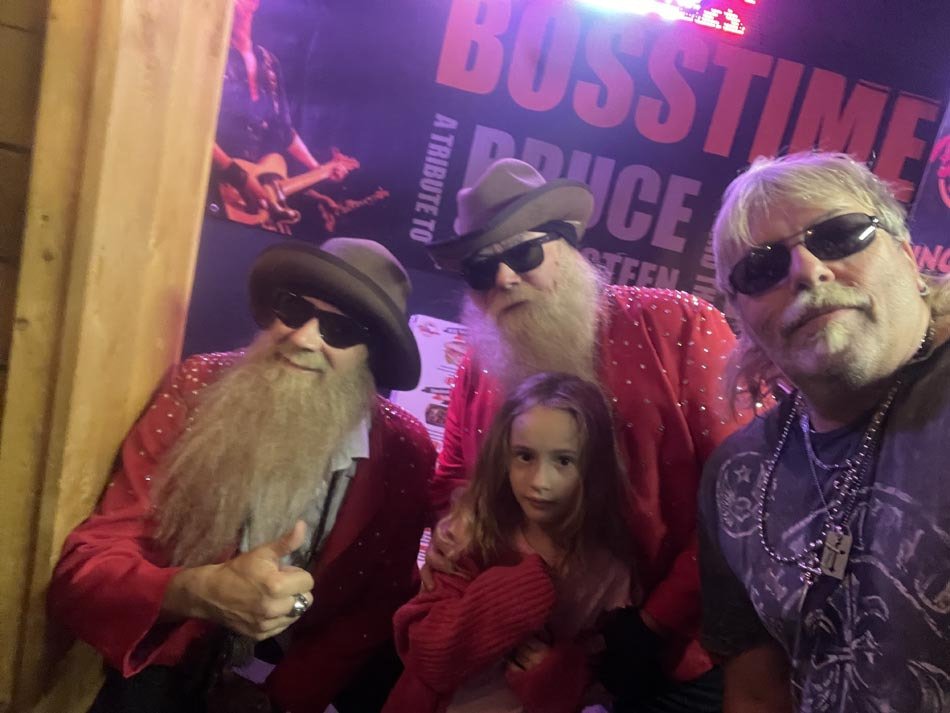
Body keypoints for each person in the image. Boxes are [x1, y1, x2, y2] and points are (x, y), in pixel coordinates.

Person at [48, 238, 436, 713]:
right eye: (294, 309)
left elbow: (372, 608)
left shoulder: (405, 451)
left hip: (289, 674)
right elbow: (88, 567)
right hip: (169, 651)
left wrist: (281, 700)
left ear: (371, 354)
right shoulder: (198, 386)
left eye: (340, 329)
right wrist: (194, 592)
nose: (303, 338)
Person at [424, 158, 743, 710]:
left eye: (523, 254)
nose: (503, 278)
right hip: (524, 657)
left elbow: (748, 494)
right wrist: (460, 549)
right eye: (481, 269)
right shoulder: (479, 364)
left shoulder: (680, 326)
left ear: (567, 247)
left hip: (673, 658)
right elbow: (455, 478)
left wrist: (654, 623)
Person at [698, 151, 950, 712]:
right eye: (762, 269)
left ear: (908, 257)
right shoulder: (735, 476)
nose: (808, 270)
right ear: (742, 317)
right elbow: (757, 693)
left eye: (839, 236)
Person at [384, 372, 641, 713]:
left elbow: (597, 670)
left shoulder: (606, 569)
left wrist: (559, 671)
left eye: (564, 460)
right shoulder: (471, 533)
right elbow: (426, 653)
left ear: (594, 467)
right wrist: (521, 592)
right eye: (524, 456)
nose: (540, 482)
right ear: (503, 457)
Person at [210, 0, 354, 230]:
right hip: (214, 176)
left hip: (251, 188)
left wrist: (320, 168)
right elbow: (192, 128)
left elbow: (283, 130)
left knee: (275, 162)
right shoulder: (210, 55)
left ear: (254, 3)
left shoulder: (268, 62)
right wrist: (237, 176)